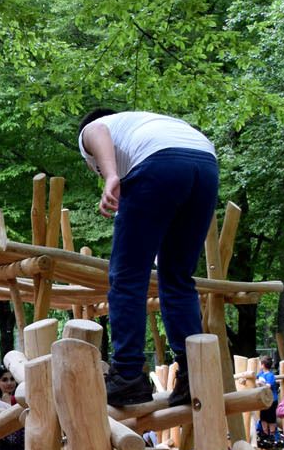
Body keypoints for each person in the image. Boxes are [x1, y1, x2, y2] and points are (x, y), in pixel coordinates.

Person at [77, 109, 219, 409]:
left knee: (128, 277)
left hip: (160, 163)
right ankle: (193, 371)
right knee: (177, 277)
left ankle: (128, 374)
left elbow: (94, 130)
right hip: (205, 164)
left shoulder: (98, 129)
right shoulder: (145, 123)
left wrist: (112, 175)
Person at [256, 356, 280, 448]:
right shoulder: (261, 373)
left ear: (263, 365)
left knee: (271, 418)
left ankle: (273, 436)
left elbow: (268, 386)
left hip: (271, 400)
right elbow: (255, 378)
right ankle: (265, 435)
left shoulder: (270, 375)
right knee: (263, 418)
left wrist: (260, 383)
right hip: (263, 401)